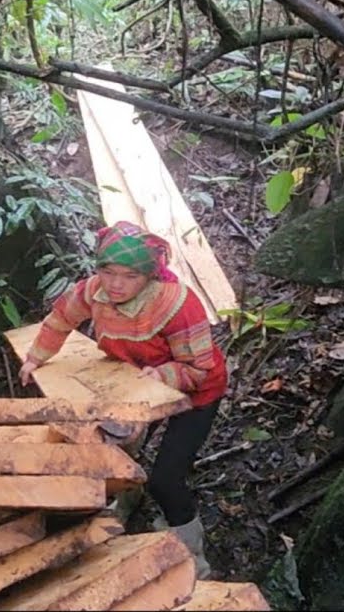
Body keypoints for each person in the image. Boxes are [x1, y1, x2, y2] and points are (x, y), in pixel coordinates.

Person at [19, 221, 227, 578]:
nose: (115, 284)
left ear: (149, 275)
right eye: (107, 271)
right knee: (115, 449)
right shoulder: (93, 292)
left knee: (166, 479)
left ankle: (193, 557)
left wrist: (162, 375)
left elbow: (199, 368)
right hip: (134, 382)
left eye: (129, 276)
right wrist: (37, 356)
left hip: (196, 391)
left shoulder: (176, 304)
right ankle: (128, 498)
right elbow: (60, 319)